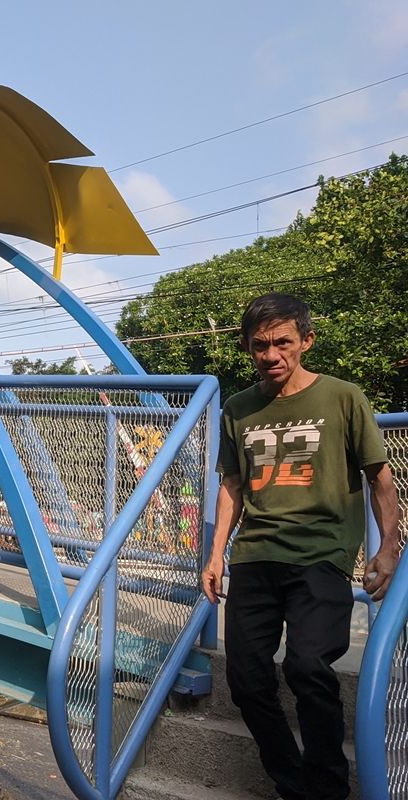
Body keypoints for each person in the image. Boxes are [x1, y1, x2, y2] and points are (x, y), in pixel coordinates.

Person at [201, 292, 402, 800]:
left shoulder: (342, 397)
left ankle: (329, 786)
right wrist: (216, 551)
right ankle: (292, 782)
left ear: (306, 340)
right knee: (246, 680)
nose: (271, 355)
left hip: (321, 554)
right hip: (255, 556)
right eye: (259, 345)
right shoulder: (237, 408)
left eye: (283, 342)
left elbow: (380, 478)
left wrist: (389, 546)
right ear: (248, 347)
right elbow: (233, 485)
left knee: (308, 666)